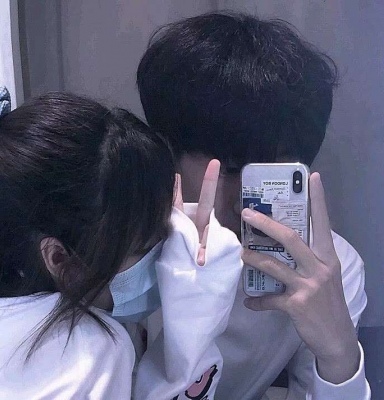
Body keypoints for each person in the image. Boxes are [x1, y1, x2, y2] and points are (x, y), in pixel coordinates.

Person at [133, 12, 371, 399]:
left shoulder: (329, 270)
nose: (247, 203)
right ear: (168, 154)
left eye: (269, 176)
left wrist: (340, 355)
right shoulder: (128, 247)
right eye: (230, 169)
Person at [0, 89, 243, 399]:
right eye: (145, 247)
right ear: (59, 259)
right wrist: (196, 328)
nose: (165, 255)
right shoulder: (89, 352)